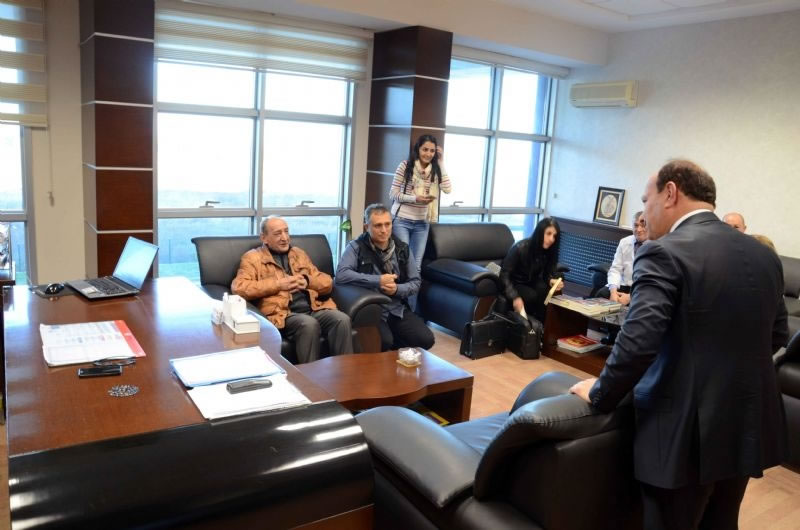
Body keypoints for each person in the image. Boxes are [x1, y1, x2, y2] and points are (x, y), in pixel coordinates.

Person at [570, 160, 788, 529]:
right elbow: (778, 334)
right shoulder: (763, 254)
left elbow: (638, 343)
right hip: (746, 420)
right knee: (722, 521)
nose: (644, 212)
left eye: (646, 199)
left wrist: (600, 392)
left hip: (684, 431)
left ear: (670, 193)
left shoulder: (663, 252)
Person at [231, 216, 353, 364]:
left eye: (286, 232)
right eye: (278, 234)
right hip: (282, 314)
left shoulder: (298, 254)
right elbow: (239, 288)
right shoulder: (252, 258)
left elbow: (327, 282)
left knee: (341, 319)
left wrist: (308, 281)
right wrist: (277, 284)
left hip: (313, 308)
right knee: (308, 324)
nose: (285, 238)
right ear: (264, 238)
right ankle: (308, 376)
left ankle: (345, 370)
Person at [336, 203, 435, 352]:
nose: (384, 230)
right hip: (370, 310)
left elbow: (415, 282)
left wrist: (397, 289)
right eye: (378, 226)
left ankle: (394, 351)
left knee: (426, 339)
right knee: (384, 341)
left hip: (396, 308)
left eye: (387, 224)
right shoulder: (355, 247)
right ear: (366, 227)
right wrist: (378, 280)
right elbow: (341, 275)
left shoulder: (402, 248)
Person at [389, 134, 452, 274]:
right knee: (404, 263)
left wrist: (441, 163)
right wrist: (415, 199)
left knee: (416, 266)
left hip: (422, 223)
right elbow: (393, 194)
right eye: (425, 149)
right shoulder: (405, 166)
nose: (428, 154)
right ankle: (400, 289)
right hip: (401, 221)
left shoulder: (435, 170)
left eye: (432, 151)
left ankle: (413, 290)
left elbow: (447, 189)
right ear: (418, 149)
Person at [499, 217, 562, 323]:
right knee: (531, 295)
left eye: (554, 236)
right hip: (514, 283)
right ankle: (527, 325)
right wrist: (514, 297)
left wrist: (550, 280)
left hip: (530, 281)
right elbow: (504, 275)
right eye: (548, 234)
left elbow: (546, 272)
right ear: (540, 232)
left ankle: (541, 326)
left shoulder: (548, 250)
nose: (552, 239)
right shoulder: (520, 247)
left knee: (544, 290)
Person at [600, 210, 647, 305]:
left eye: (643, 226)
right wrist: (613, 292)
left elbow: (650, 281)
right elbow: (616, 269)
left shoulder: (655, 246)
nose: (638, 229)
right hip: (623, 285)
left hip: (641, 290)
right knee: (602, 294)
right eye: (636, 225)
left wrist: (631, 297)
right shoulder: (624, 242)